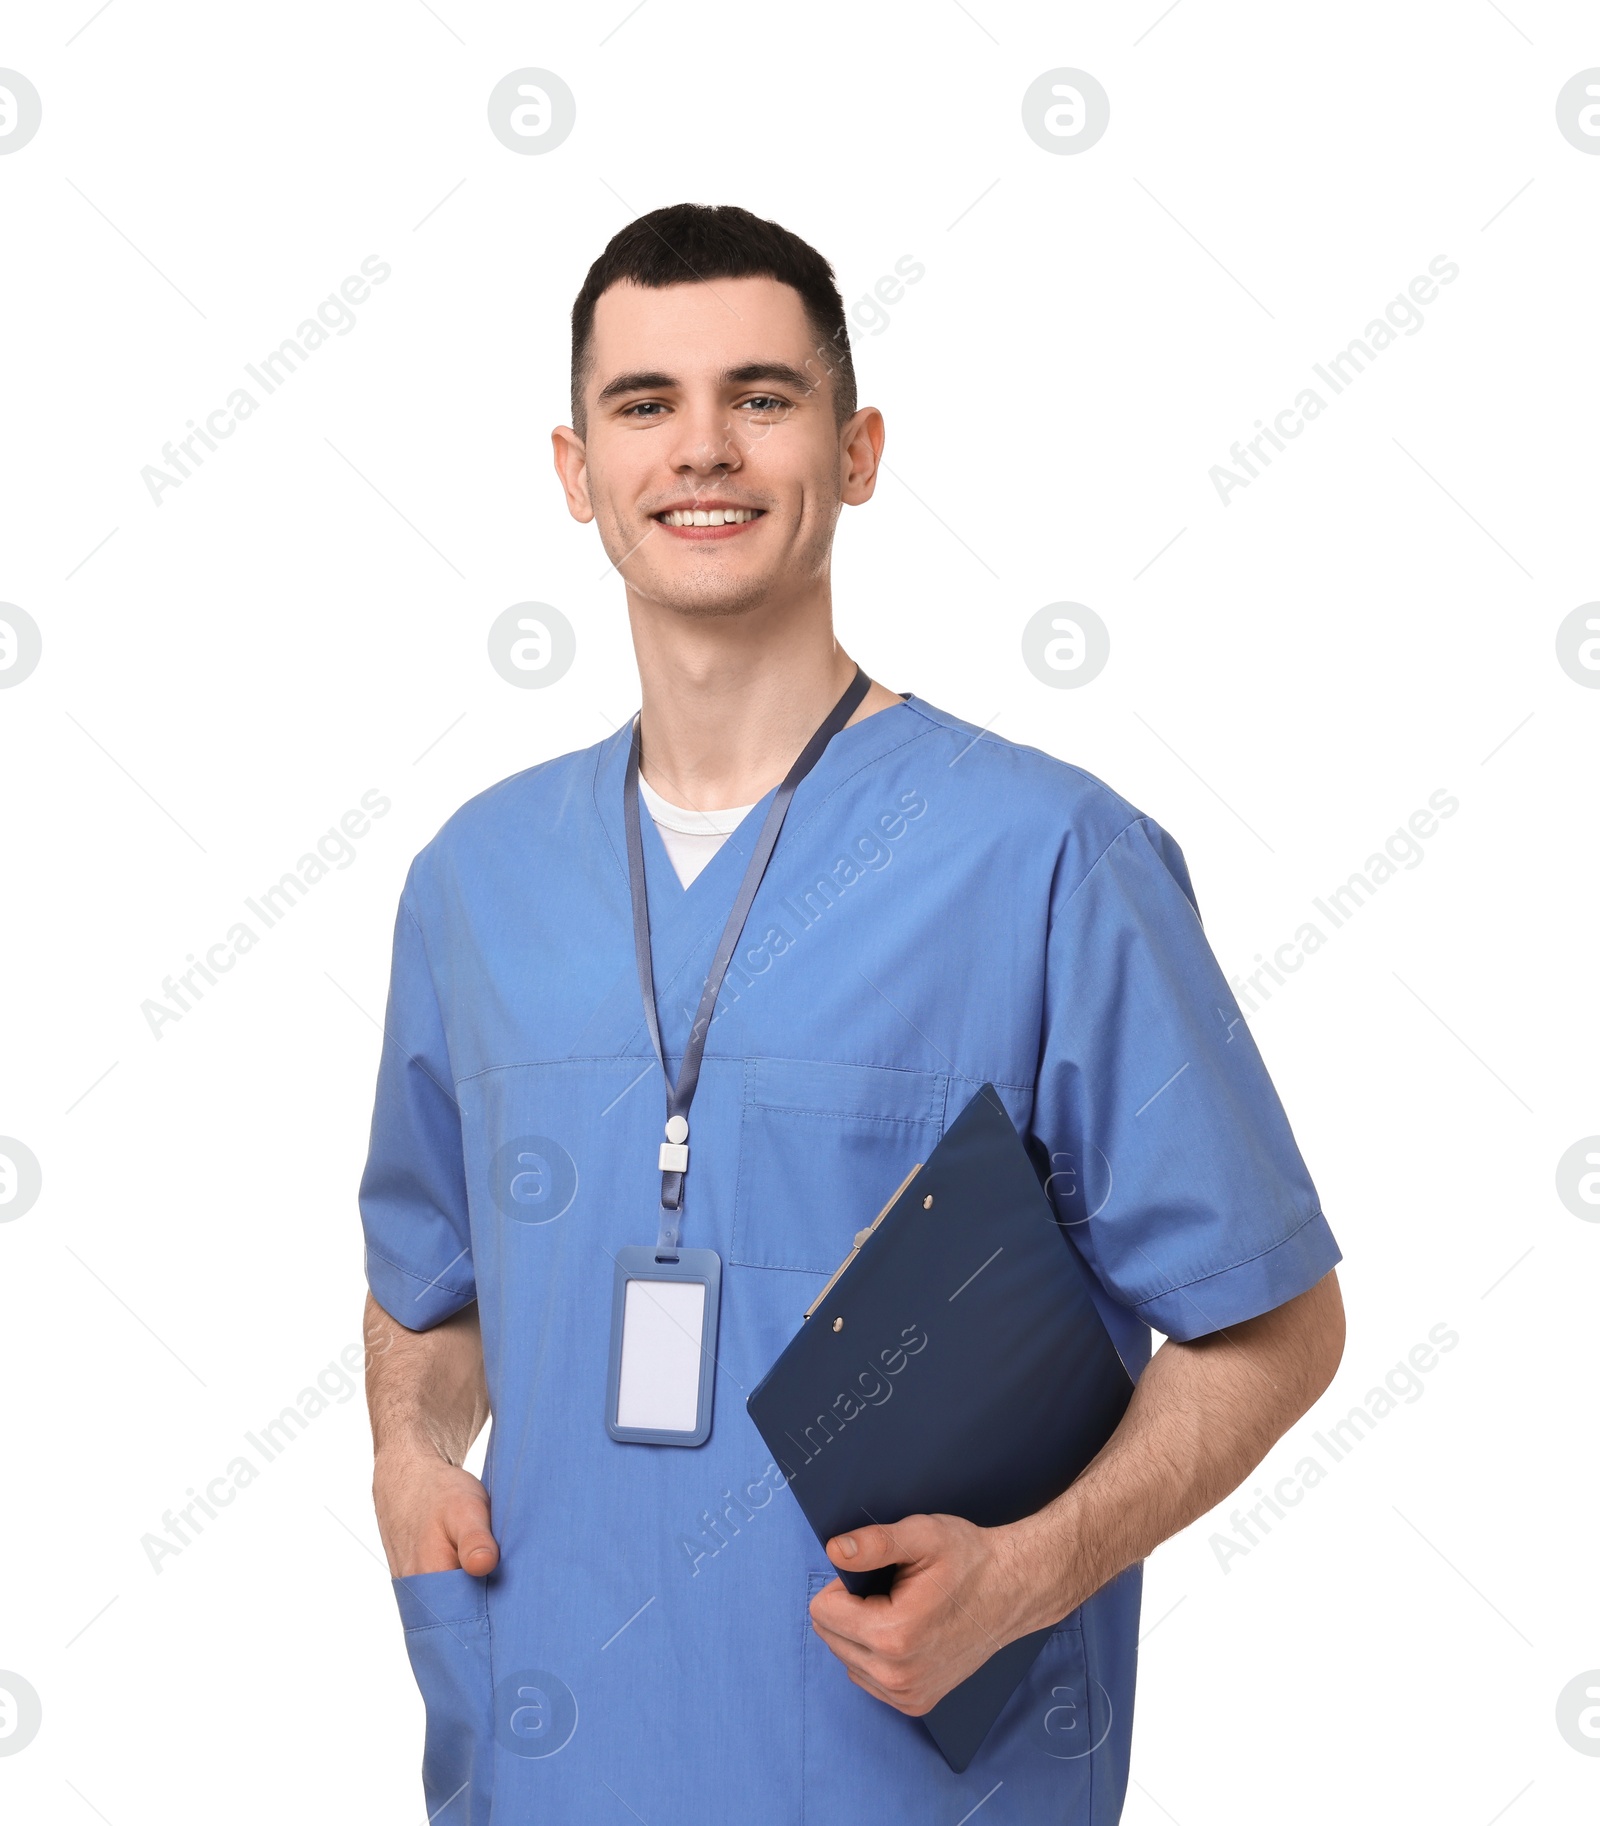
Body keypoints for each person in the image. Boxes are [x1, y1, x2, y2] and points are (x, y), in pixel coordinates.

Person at [359, 202, 1345, 1825]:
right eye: (643, 404)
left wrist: (1031, 1574)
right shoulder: (475, 881)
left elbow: (1275, 1320)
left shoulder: (1046, 857)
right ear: (573, 472)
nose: (702, 451)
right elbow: (431, 1285)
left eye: (761, 397)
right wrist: (408, 1452)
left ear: (858, 446)